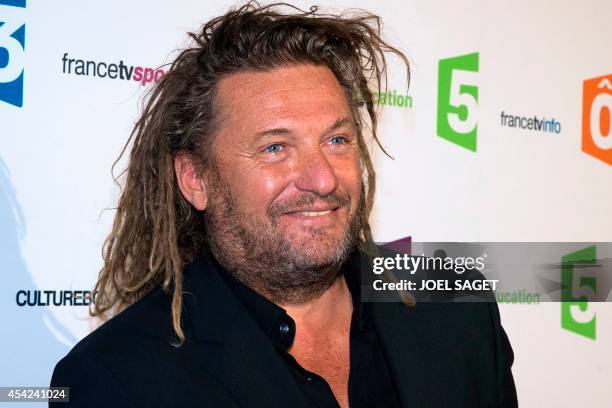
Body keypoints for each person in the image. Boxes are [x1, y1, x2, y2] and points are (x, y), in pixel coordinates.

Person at [50, 2, 517, 407]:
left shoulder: (456, 306)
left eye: (337, 140)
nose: (322, 178)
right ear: (195, 179)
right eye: (275, 147)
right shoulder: (117, 380)